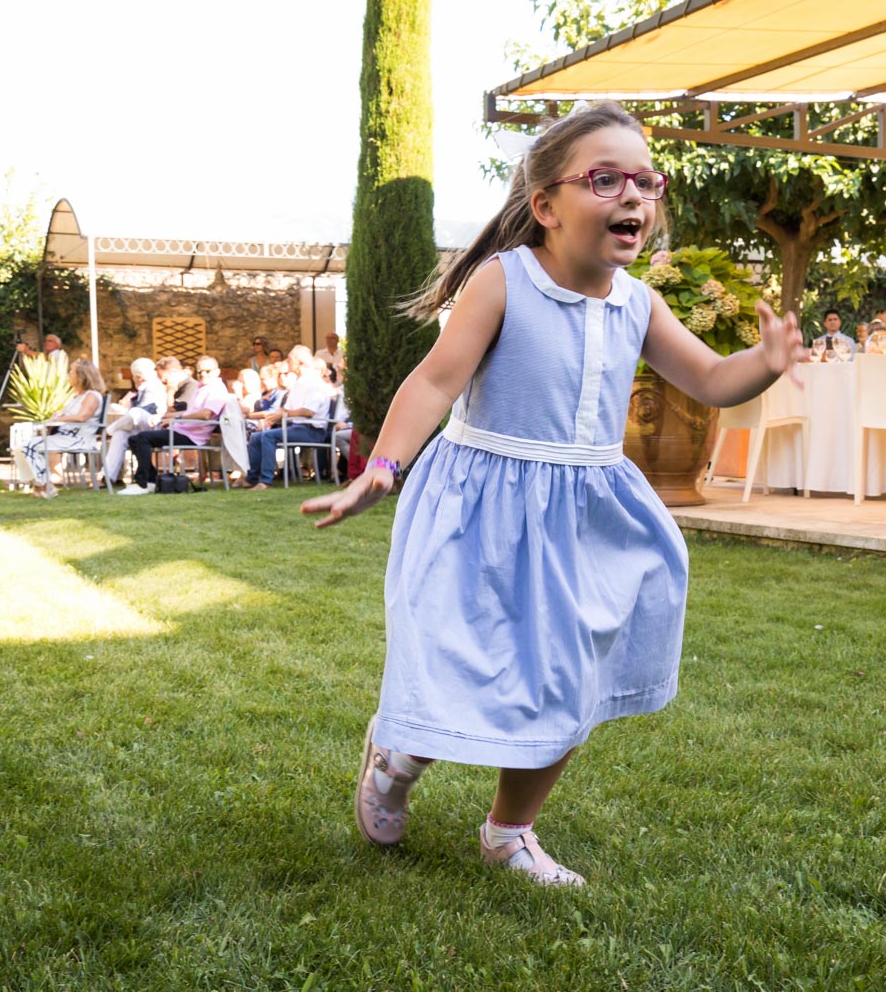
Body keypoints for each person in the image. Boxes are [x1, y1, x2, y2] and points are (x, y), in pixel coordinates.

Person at [300, 101, 806, 886]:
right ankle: (397, 759)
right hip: (481, 504)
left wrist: (764, 362)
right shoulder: (505, 283)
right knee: (466, 661)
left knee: (572, 675)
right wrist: (383, 468)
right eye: (605, 179)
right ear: (545, 206)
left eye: (645, 180)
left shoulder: (639, 302)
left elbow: (708, 377)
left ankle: (510, 830)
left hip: (583, 514)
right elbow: (435, 381)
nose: (632, 196)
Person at [120, 356, 229, 495]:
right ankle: (151, 480)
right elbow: (189, 412)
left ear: (217, 372)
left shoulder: (216, 390)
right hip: (183, 430)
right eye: (200, 371)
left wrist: (177, 418)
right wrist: (164, 416)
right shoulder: (202, 388)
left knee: (142, 438)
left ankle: (143, 483)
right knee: (134, 439)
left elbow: (206, 414)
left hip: (192, 435)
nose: (203, 374)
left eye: (207, 371)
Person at [241, 345, 330, 489]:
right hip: (297, 427)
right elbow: (286, 408)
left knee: (269, 436)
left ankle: (266, 481)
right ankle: (251, 478)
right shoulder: (300, 382)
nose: (287, 362)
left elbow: (308, 411)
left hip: (312, 430)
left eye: (290, 359)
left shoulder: (314, 382)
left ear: (299, 362)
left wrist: (284, 415)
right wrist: (272, 417)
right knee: (257, 437)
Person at [22, 358, 104, 499]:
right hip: (66, 437)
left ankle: (45, 485)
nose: (68, 375)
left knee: (30, 446)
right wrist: (58, 417)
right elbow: (69, 416)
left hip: (79, 439)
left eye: (71, 372)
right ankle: (41, 486)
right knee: (27, 446)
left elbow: (82, 417)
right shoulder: (76, 397)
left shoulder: (92, 396)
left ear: (81, 376)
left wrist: (60, 419)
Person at [102, 357, 167, 487]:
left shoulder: (154, 386)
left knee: (135, 413)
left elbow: (145, 410)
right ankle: (109, 477)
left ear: (138, 377)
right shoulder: (142, 388)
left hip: (154, 424)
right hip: (142, 425)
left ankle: (107, 431)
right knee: (120, 434)